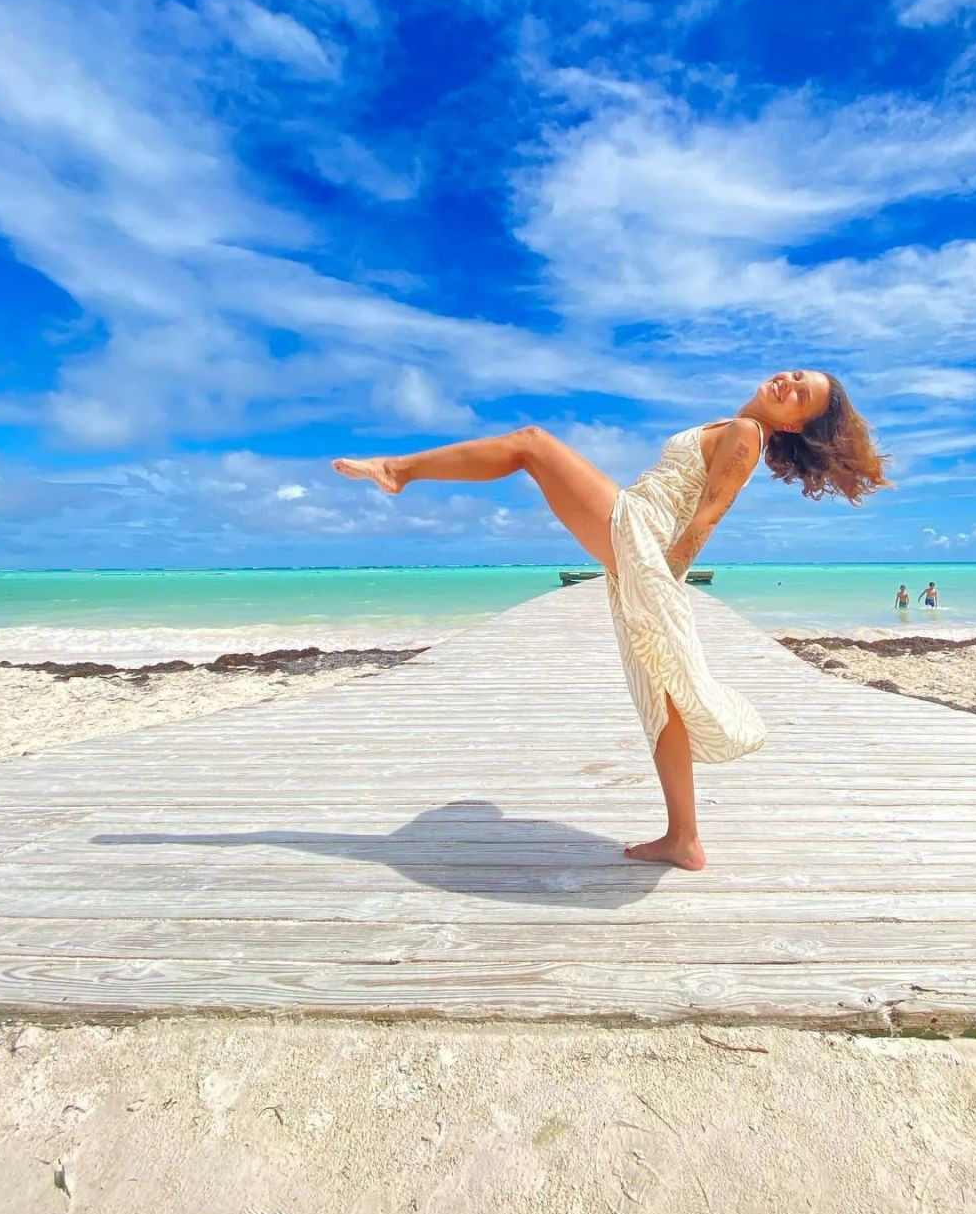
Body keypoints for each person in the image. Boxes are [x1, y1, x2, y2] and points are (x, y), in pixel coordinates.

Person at [332, 369, 891, 871]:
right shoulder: (738, 425)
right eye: (795, 376)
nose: (788, 384)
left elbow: (710, 512)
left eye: (801, 395)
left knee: (532, 444)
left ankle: (399, 469)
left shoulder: (748, 434)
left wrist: (663, 577)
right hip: (641, 536)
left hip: (640, 533)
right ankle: (683, 838)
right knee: (661, 696)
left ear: (795, 426)